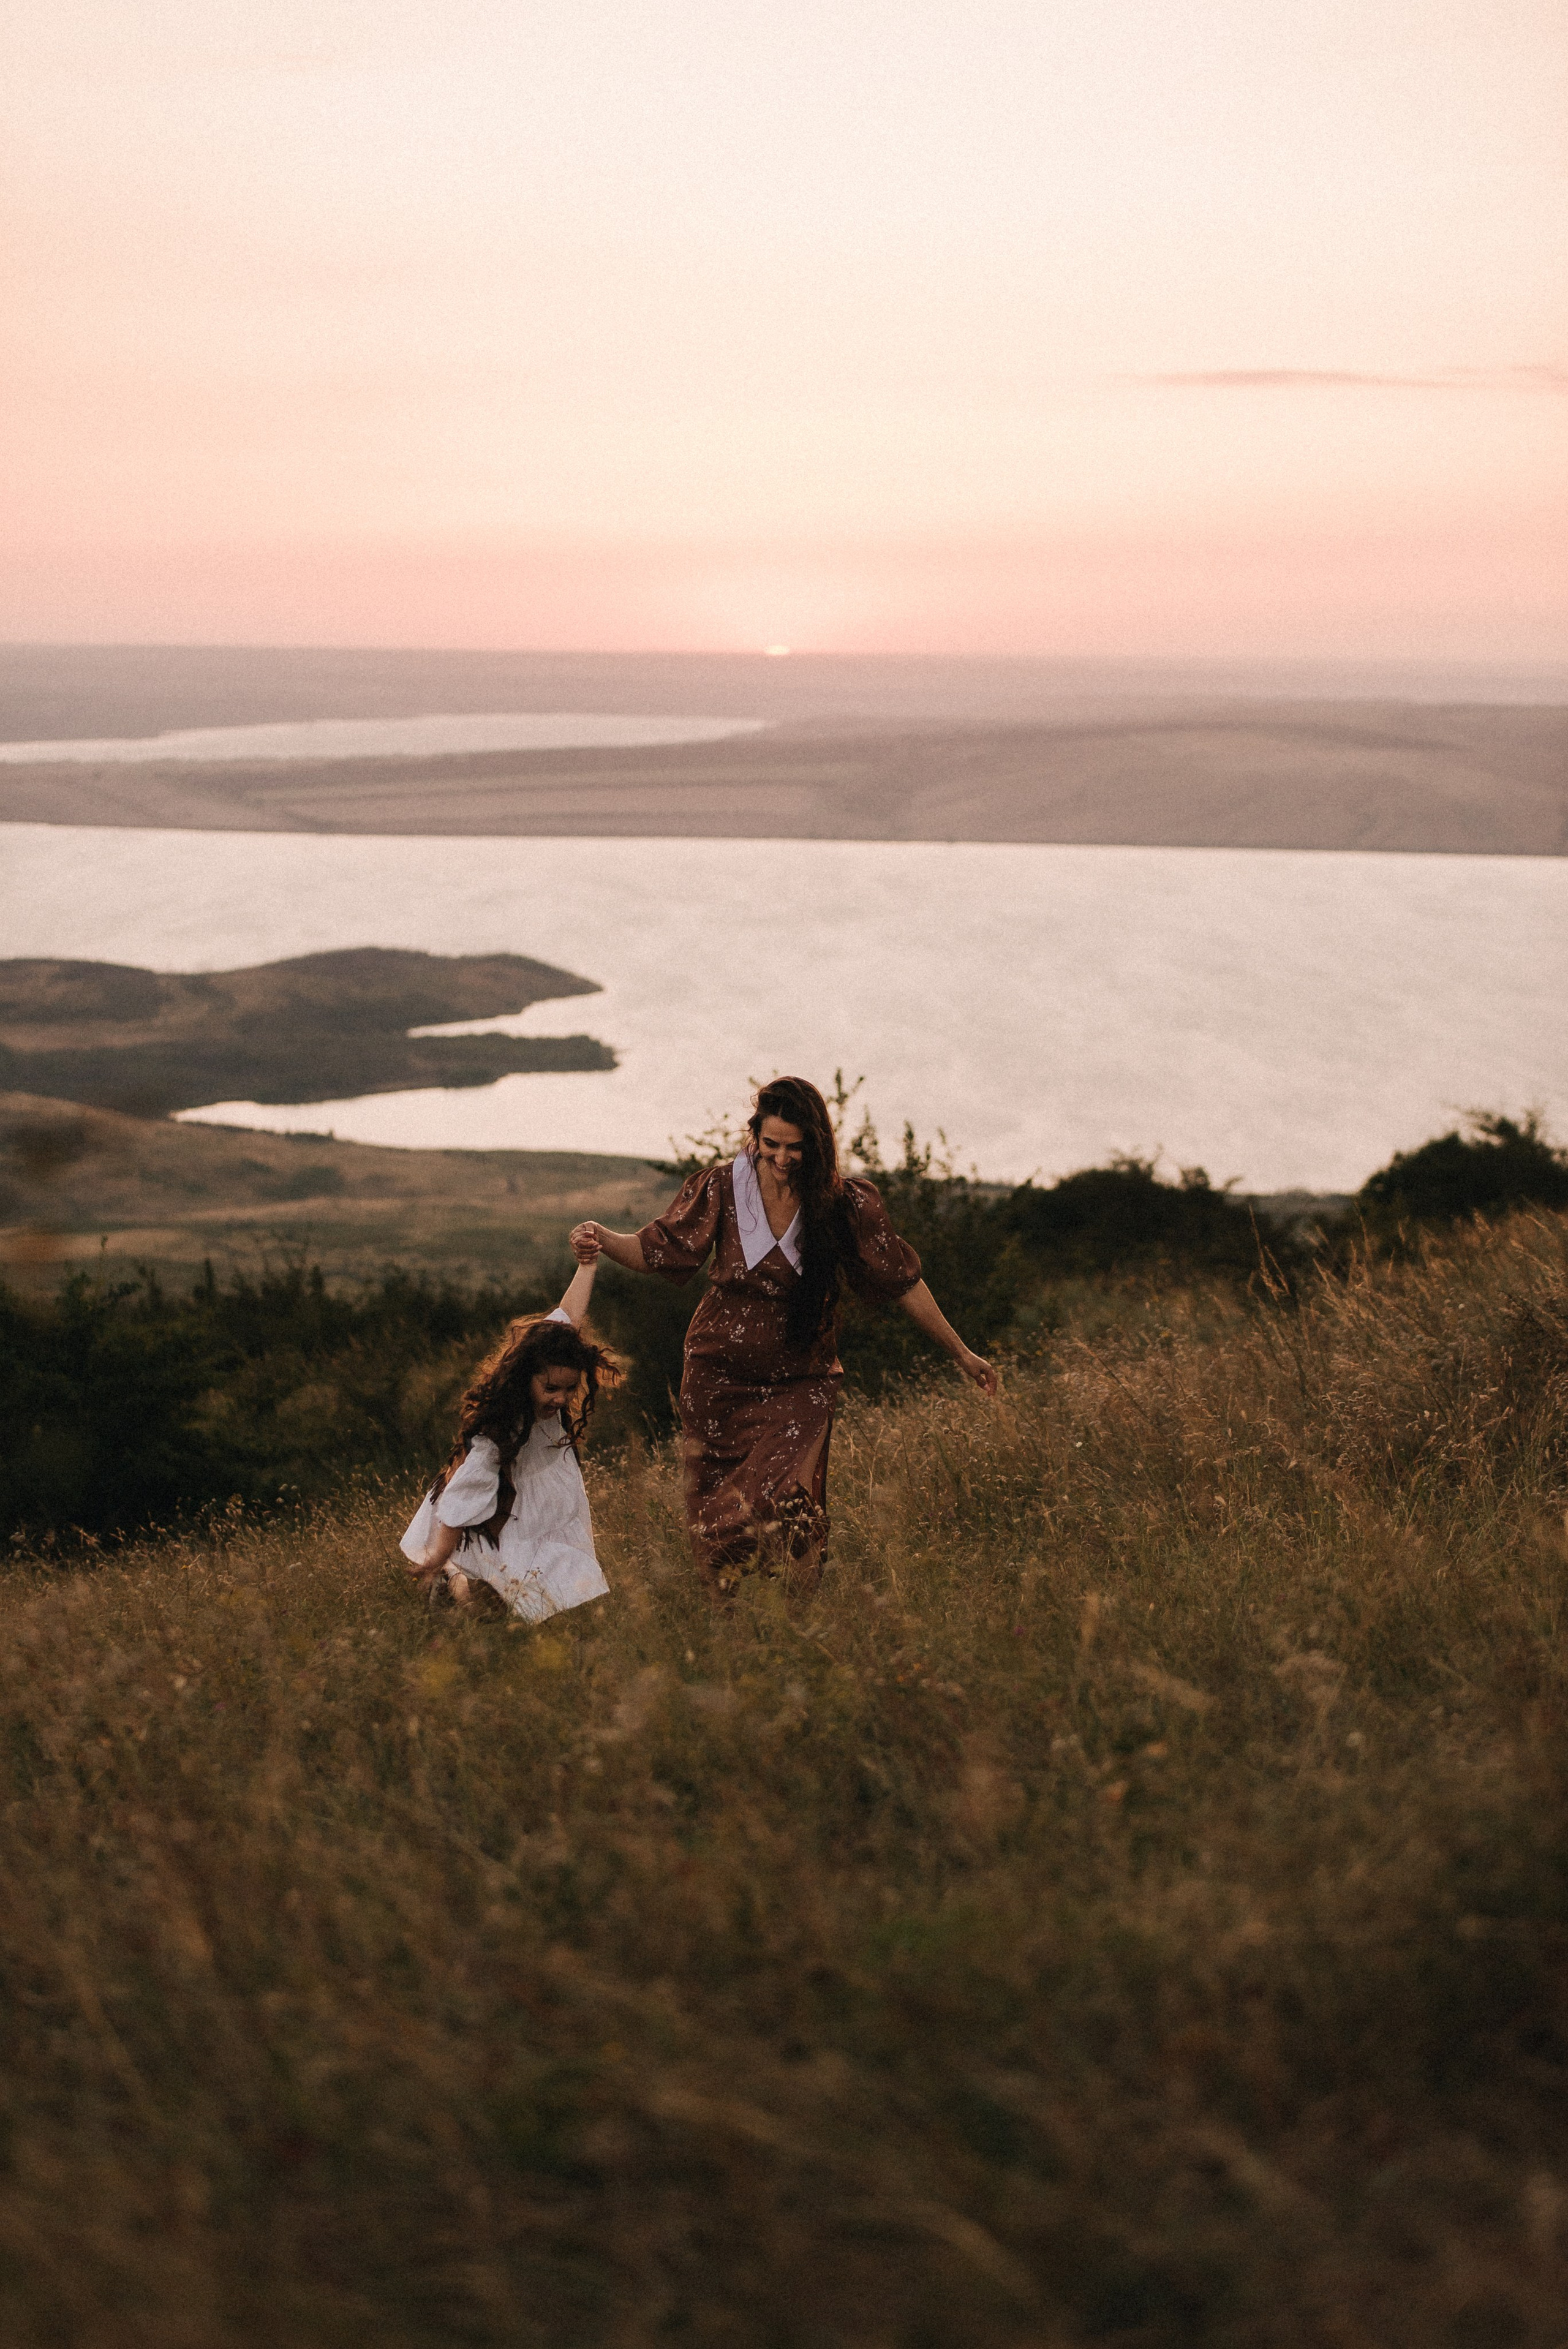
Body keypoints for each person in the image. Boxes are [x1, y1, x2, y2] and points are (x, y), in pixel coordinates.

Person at [571, 1075, 997, 1594]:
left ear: (815, 1144)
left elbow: (902, 1282)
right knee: (722, 1517)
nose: (781, 1157)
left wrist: (962, 1352)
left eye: (795, 1148)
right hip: (716, 1376)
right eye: (770, 1144)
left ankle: (801, 1615)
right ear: (755, 1135)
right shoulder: (723, 1187)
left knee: (792, 1498)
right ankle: (736, 1622)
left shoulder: (842, 1204)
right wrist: (602, 1236)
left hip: (802, 1375)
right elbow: (656, 1250)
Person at [400, 1243, 619, 1620]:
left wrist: (588, 1265)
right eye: (551, 1389)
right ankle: (451, 1582)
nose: (562, 1400)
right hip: (494, 1511)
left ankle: (513, 1610)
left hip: (538, 1506)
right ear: (525, 1378)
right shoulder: (500, 1433)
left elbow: (569, 1314)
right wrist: (436, 1557)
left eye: (570, 1389)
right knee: (492, 1602)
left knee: (548, 1584)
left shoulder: (553, 1356)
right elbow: (457, 1504)